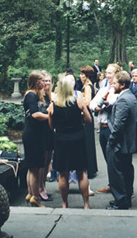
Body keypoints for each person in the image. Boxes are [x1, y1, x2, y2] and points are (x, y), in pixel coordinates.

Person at [47, 73, 92, 209]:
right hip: (77, 138)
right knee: (81, 172)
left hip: (61, 139)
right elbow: (89, 120)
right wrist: (81, 118)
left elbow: (51, 126)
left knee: (63, 173)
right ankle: (85, 204)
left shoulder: (53, 105)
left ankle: (65, 203)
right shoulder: (78, 101)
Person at [105, 70, 137, 210]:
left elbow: (118, 125)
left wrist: (111, 141)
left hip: (119, 143)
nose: (113, 86)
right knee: (126, 170)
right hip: (127, 143)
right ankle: (125, 198)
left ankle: (121, 201)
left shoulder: (124, 99)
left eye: (115, 83)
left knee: (116, 172)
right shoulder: (130, 96)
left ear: (122, 85)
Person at [89, 63, 120, 193]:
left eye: (110, 73)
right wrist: (96, 107)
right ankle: (111, 184)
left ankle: (120, 187)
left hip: (110, 128)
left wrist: (101, 106)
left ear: (117, 74)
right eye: (106, 73)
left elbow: (111, 103)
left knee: (116, 159)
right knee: (108, 158)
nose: (107, 75)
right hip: (101, 128)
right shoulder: (103, 89)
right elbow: (91, 103)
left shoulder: (117, 91)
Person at [22, 70, 50, 207]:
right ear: (36, 82)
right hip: (33, 134)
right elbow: (35, 114)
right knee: (35, 168)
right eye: (42, 81)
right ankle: (35, 198)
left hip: (36, 133)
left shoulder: (34, 95)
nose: (45, 84)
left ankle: (30, 194)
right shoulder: (31, 96)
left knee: (32, 166)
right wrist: (51, 117)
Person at [78, 65, 99, 183]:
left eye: (82, 75)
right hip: (85, 115)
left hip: (86, 115)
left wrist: (78, 101)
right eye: (80, 74)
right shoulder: (85, 86)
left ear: (87, 76)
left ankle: (90, 169)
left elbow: (88, 102)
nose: (81, 77)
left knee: (88, 142)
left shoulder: (88, 87)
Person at [38, 71, 55, 201]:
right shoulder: (38, 96)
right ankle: (39, 189)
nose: (47, 83)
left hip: (50, 130)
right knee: (42, 161)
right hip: (41, 131)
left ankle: (43, 186)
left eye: (49, 81)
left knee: (48, 160)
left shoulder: (50, 96)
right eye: (45, 81)